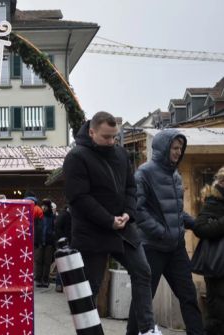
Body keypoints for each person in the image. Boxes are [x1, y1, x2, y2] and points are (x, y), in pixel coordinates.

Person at [63, 111, 161, 335]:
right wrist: (108, 220)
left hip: (123, 227)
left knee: (143, 272)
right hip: (92, 231)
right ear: (91, 132)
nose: (111, 142)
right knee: (91, 287)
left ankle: (146, 329)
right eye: (106, 137)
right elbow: (78, 198)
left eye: (114, 137)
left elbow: (130, 188)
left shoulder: (120, 154)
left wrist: (128, 213)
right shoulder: (76, 157)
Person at [128, 130, 204, 335]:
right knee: (143, 299)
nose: (178, 152)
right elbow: (137, 210)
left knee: (188, 296)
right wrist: (161, 232)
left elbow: (177, 213)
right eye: (174, 148)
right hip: (152, 247)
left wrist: (198, 225)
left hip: (176, 248)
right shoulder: (144, 173)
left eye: (181, 148)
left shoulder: (176, 175)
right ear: (163, 148)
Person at [193, 167, 224, 335]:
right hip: (218, 268)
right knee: (218, 315)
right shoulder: (214, 202)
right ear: (222, 182)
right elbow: (200, 228)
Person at [34, 199, 56, 288]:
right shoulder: (39, 216)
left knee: (47, 262)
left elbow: (55, 229)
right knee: (39, 261)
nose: (43, 207)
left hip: (49, 242)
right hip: (39, 241)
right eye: (43, 205)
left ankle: (45, 279)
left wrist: (53, 238)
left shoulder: (52, 217)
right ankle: (38, 279)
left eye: (45, 206)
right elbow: (36, 228)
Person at [54, 205, 72, 292]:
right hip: (64, 243)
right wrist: (62, 239)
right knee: (62, 263)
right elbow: (57, 227)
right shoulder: (65, 215)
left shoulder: (67, 215)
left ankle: (62, 285)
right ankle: (59, 284)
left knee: (65, 264)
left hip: (67, 242)